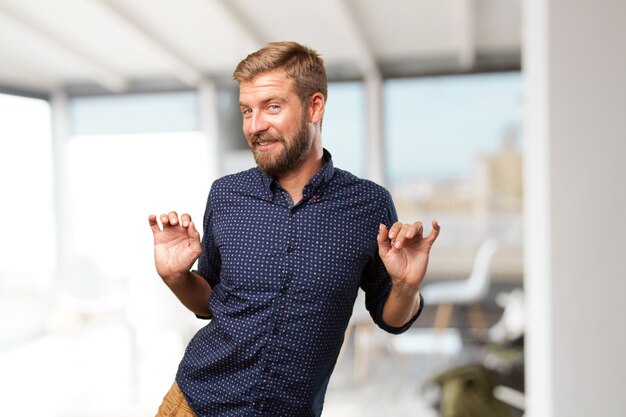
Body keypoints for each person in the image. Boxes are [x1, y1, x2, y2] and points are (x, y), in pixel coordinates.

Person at [149, 41, 440, 417]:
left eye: (272, 106)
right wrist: (175, 277)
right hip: (193, 404)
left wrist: (406, 285)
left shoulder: (369, 205)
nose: (255, 126)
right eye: (246, 111)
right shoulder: (225, 196)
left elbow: (392, 319)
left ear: (314, 106)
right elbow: (209, 303)